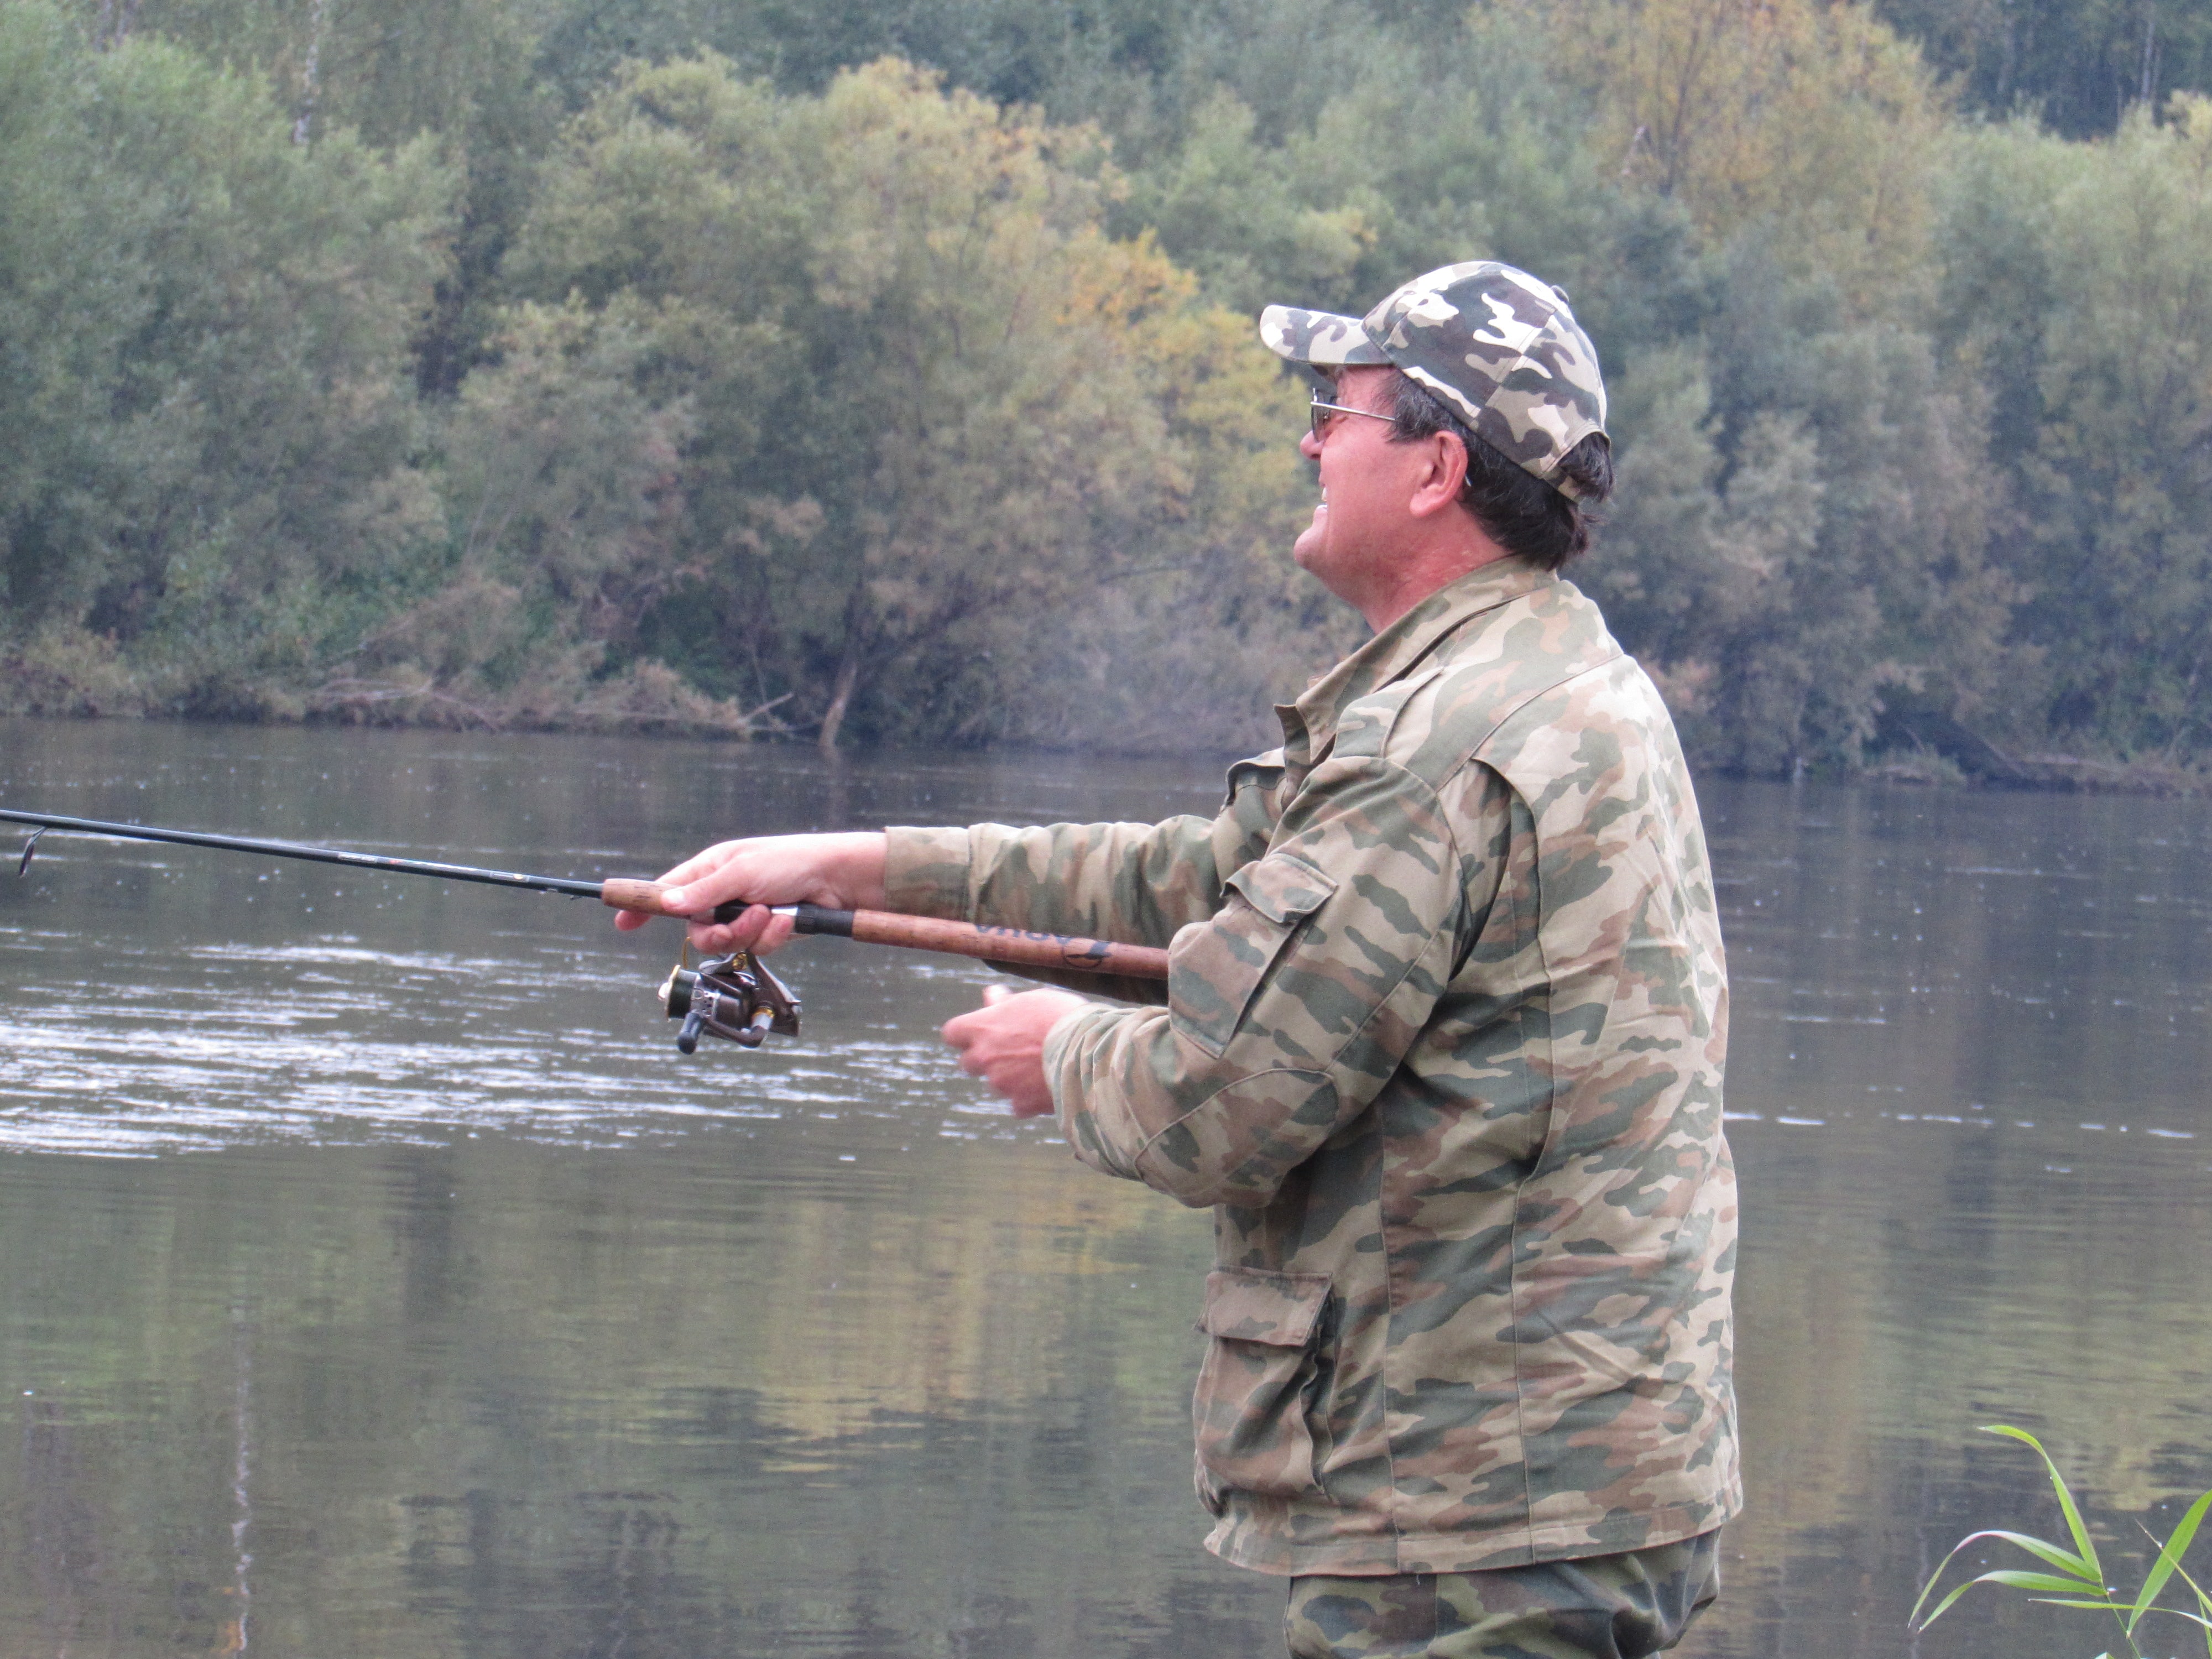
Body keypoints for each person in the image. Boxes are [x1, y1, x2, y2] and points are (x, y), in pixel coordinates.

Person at [617, 261, 1739, 1659]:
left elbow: (1227, 1096)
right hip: (1564, 1476)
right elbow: (1206, 888)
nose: (1309, 444)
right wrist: (850, 865)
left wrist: (1062, 1053)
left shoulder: (1439, 745)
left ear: (1437, 467)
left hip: (1476, 1504)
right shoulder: (1549, 677)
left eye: (1335, 411)